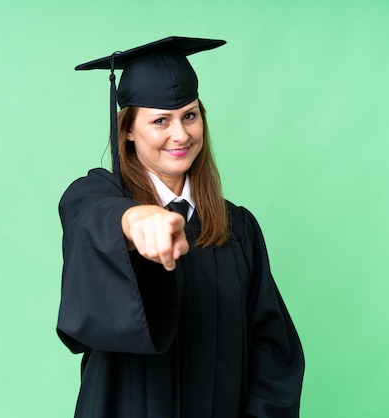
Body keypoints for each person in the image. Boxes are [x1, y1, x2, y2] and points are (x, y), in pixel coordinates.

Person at [57, 36, 304, 418]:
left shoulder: (238, 228)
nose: (181, 134)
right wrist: (133, 219)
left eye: (189, 115)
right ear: (127, 130)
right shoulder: (99, 198)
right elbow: (87, 212)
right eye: (160, 120)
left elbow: (272, 352)